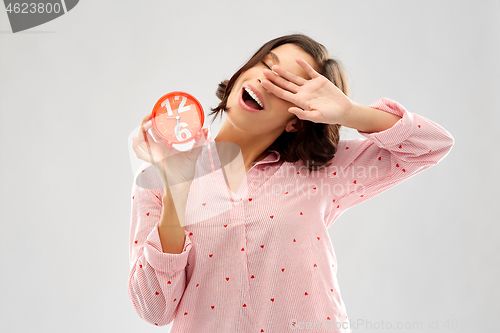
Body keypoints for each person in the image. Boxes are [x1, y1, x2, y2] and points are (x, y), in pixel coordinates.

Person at [128, 34, 454, 332]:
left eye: (287, 84)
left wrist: (349, 113)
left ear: (297, 120)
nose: (266, 81)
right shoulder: (160, 177)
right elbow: (154, 308)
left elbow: (432, 145)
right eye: (266, 64)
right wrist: (176, 197)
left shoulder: (322, 171)